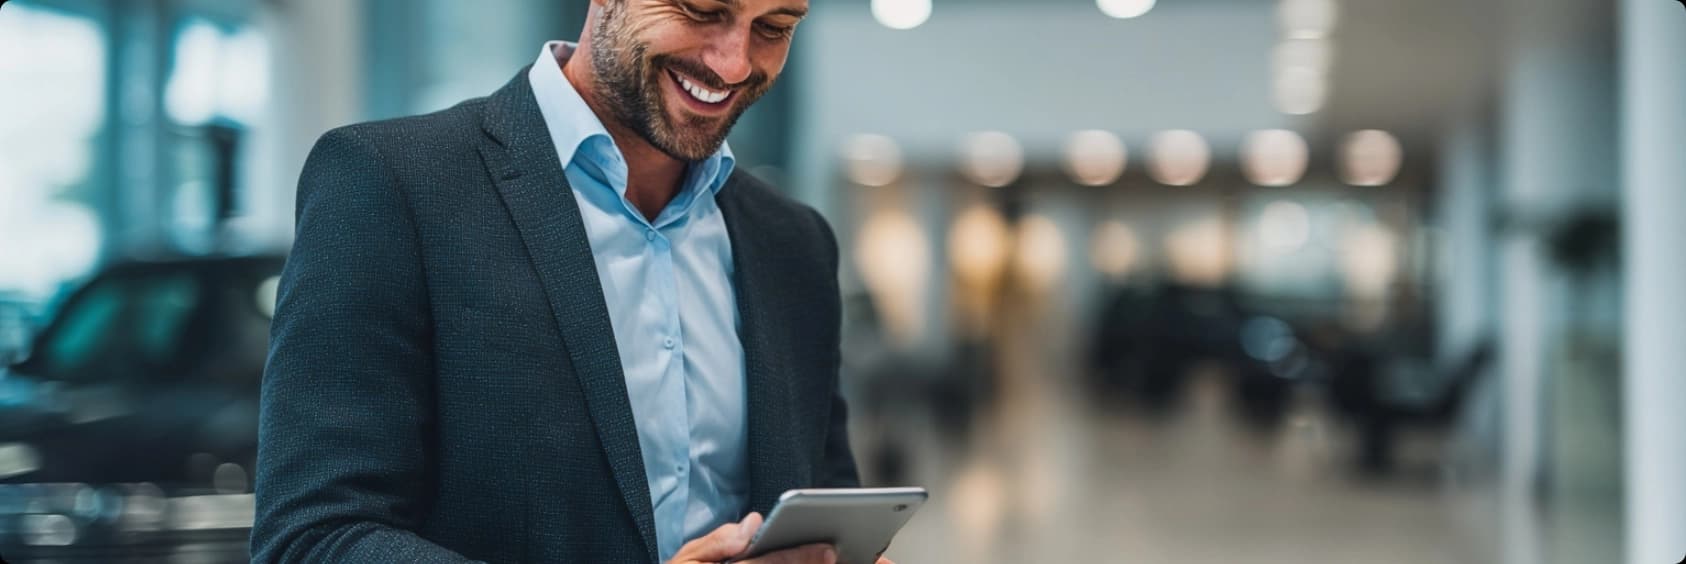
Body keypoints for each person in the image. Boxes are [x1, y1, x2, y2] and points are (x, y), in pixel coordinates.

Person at [251, 1, 886, 562]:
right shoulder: (391, 183)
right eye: (699, 11)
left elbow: (821, 500)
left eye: (773, 27)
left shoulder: (794, 243)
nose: (732, 63)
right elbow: (313, 539)